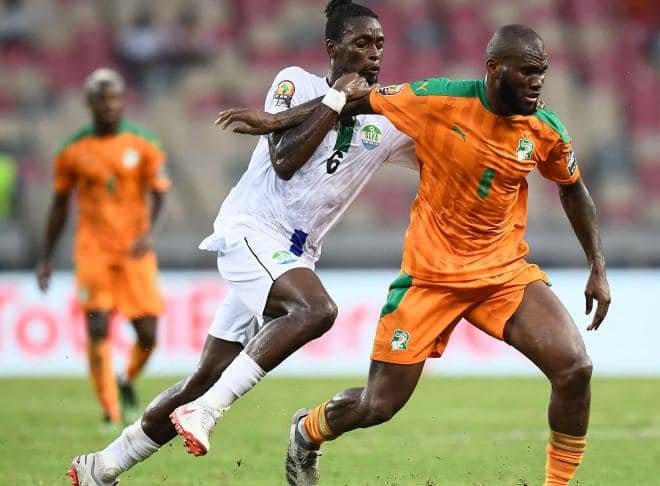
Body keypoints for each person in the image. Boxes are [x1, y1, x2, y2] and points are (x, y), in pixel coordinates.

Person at [210, 24, 611, 486]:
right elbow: (351, 101)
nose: (538, 82)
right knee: (377, 405)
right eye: (527, 72)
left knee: (575, 368)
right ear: (494, 68)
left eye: (542, 72)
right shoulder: (436, 99)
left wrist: (597, 267)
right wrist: (275, 121)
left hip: (501, 274)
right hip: (429, 280)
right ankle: (307, 430)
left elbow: (573, 190)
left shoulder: (545, 129)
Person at [66, 1, 417, 484]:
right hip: (252, 231)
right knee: (316, 311)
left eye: (379, 43)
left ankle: (103, 466)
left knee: (204, 376)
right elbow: (285, 159)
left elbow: (440, 142)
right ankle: (207, 411)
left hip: (293, 256)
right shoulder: (296, 83)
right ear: (332, 47)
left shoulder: (389, 120)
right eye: (361, 43)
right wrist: (336, 100)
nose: (374, 53)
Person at [37, 68, 169, 433]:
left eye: (115, 99)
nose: (109, 106)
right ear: (89, 103)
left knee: (148, 335)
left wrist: (150, 234)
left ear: (123, 102)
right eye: (102, 100)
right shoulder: (71, 151)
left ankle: (126, 380)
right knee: (98, 329)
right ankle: (110, 411)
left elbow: (161, 196)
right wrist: (46, 258)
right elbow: (59, 207)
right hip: (92, 252)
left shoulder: (144, 144)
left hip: (134, 252)